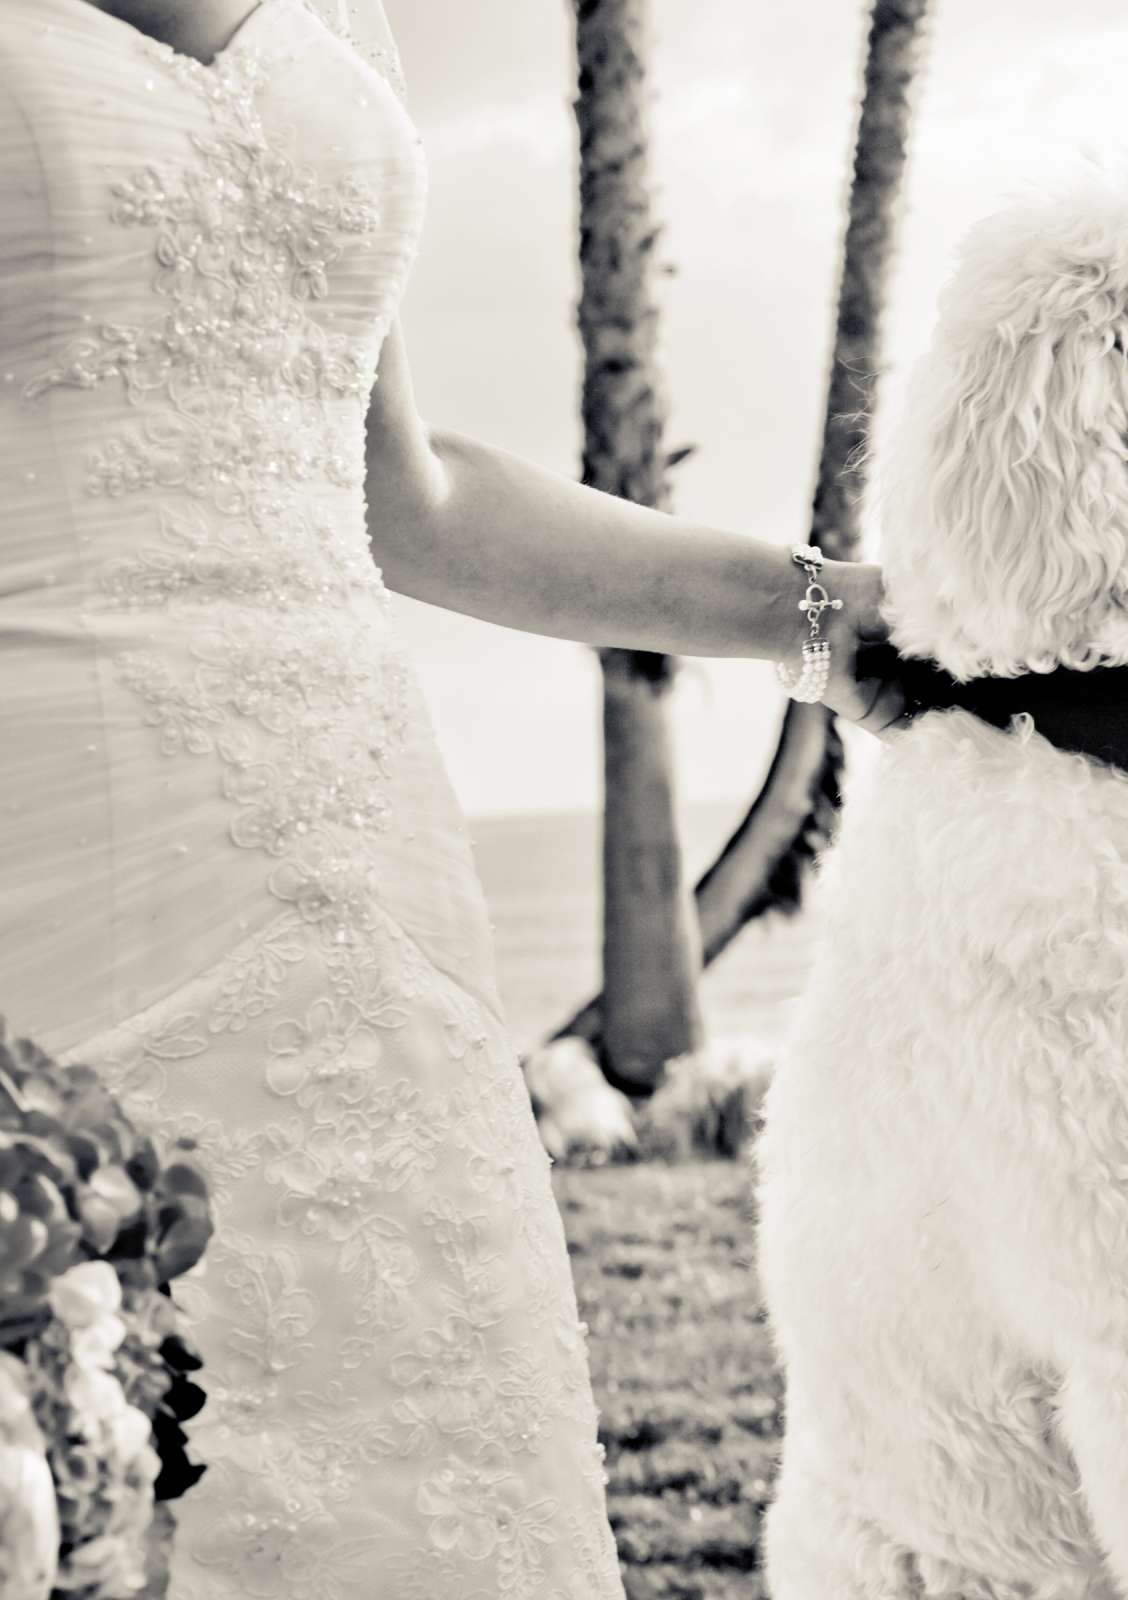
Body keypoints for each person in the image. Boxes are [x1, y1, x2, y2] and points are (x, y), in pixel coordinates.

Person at [0, 0, 892, 1592]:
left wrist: (832, 614)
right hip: (52, 842)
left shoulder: (343, 17)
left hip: (363, 854)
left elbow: (403, 496)